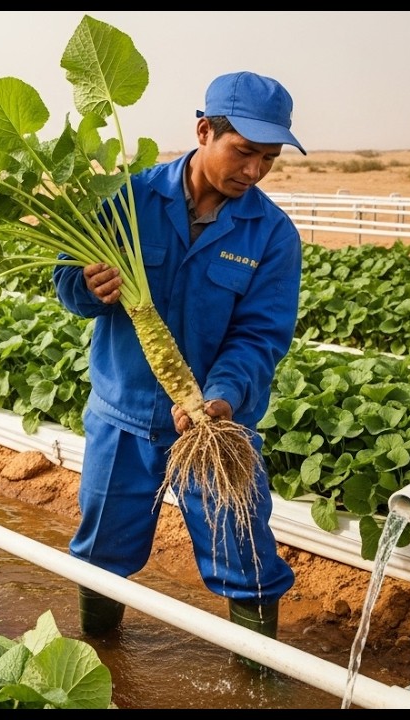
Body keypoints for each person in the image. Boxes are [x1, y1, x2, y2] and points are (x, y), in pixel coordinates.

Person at [53, 71, 306, 670]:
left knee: (246, 554)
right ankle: (99, 669)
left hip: (215, 424)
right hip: (123, 414)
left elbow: (259, 336)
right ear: (204, 132)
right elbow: (66, 279)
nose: (254, 171)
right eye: (243, 152)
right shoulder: (125, 199)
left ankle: (259, 680)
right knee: (101, 549)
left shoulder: (273, 236)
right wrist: (85, 286)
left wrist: (221, 399)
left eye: (269, 159)